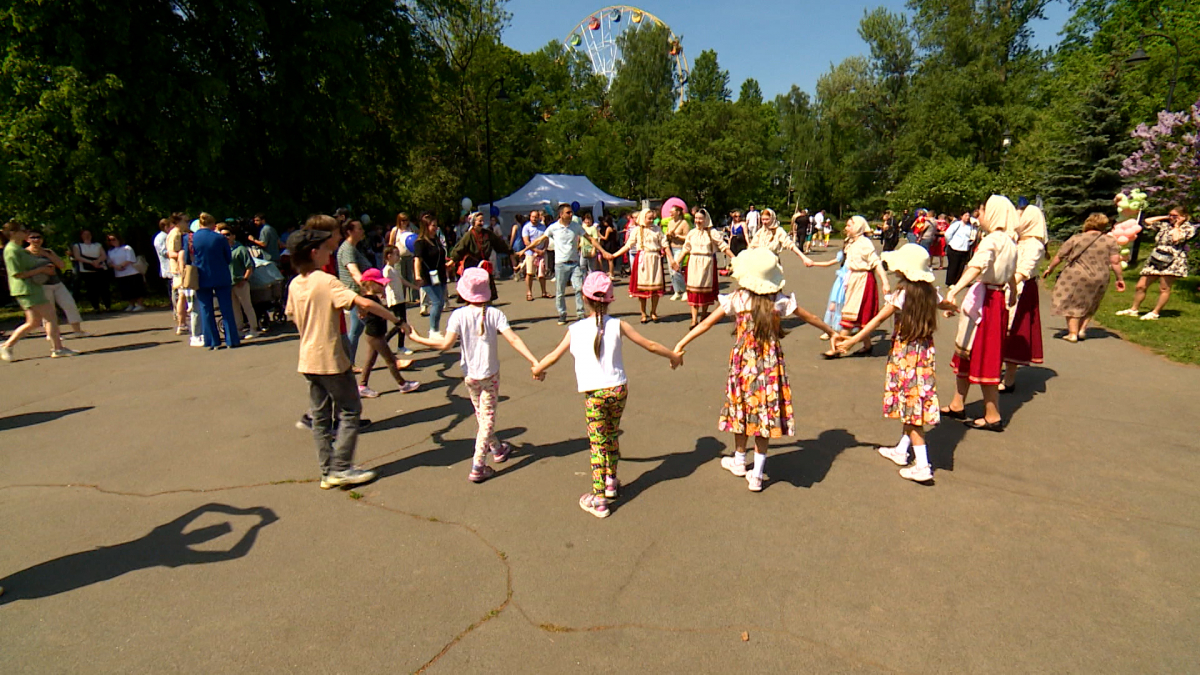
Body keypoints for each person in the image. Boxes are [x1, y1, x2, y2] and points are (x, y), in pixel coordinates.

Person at [673, 248, 838, 492]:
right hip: (770, 365)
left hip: (744, 365)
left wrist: (681, 343)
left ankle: (740, 459)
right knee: (765, 413)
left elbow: (706, 323)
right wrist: (833, 331)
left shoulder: (738, 299)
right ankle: (757, 474)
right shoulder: (778, 300)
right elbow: (810, 317)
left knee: (741, 409)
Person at [532, 272, 682, 517]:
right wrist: (673, 356)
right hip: (618, 389)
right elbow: (650, 345)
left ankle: (599, 497)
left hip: (595, 393)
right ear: (610, 299)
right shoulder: (618, 325)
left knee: (597, 444)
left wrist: (538, 368)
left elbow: (553, 356)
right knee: (611, 435)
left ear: (584, 298)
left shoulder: (575, 329)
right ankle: (611, 480)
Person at [835, 244, 958, 482]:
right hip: (923, 354)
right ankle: (902, 450)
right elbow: (946, 305)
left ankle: (923, 465)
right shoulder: (931, 293)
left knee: (911, 409)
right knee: (913, 400)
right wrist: (955, 309)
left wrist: (853, 339)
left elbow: (877, 320)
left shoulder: (902, 295)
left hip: (905, 356)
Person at [286, 227, 398, 489]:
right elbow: (365, 303)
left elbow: (293, 316)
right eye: (327, 248)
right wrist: (397, 319)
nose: (330, 252)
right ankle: (341, 468)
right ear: (314, 253)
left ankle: (328, 472)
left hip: (307, 359)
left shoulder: (295, 284)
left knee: (321, 417)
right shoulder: (325, 281)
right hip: (331, 359)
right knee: (350, 410)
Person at [408, 268, 540, 483]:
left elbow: (445, 344)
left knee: (482, 415)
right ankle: (478, 464)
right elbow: (514, 339)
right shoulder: (495, 314)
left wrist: (418, 338)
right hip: (490, 375)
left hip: (469, 375)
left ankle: (497, 449)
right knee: (486, 419)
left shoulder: (458, 314)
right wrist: (534, 361)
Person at [942, 195, 1019, 431]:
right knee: (967, 351)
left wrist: (954, 289)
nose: (979, 214)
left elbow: (977, 266)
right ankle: (958, 403)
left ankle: (992, 414)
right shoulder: (1009, 241)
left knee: (984, 355)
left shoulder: (992, 240)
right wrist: (1013, 294)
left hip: (986, 302)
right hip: (994, 299)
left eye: (982, 211)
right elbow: (1012, 273)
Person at [1, 222, 78, 361]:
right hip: (26, 289)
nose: (26, 233)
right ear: (13, 233)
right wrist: (42, 270)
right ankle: (57, 348)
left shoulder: (19, 249)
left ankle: (7, 345)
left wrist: (44, 266)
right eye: (23, 231)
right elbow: (17, 274)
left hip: (32, 287)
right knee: (50, 316)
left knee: (34, 322)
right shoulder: (12, 250)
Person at [1043, 213, 1125, 342]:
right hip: (1100, 275)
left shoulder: (1077, 238)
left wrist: (1050, 268)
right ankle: (1082, 330)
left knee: (1072, 303)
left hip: (1076, 275)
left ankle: (1072, 333)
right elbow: (1115, 262)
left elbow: (1060, 255)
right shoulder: (1110, 240)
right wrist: (1120, 279)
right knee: (1091, 302)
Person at [524, 204, 606, 325]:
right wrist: (525, 249)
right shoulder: (553, 227)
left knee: (579, 288)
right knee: (560, 291)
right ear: (561, 214)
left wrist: (603, 251)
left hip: (575, 263)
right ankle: (562, 314)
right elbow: (539, 240)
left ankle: (580, 313)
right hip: (560, 264)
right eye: (568, 212)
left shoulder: (576, 226)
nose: (571, 214)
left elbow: (591, 239)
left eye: (571, 212)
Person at [1115, 206, 1195, 321]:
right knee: (1141, 285)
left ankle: (1155, 312)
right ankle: (1133, 309)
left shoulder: (1188, 228)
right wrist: (1166, 217)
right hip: (1156, 257)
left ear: (1183, 217)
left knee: (1164, 288)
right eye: (1170, 215)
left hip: (1173, 259)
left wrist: (1177, 225)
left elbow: (1176, 239)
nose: (1172, 218)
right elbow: (1148, 221)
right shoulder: (1165, 225)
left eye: (1175, 216)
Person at [825, 216, 890, 358]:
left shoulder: (865, 243)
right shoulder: (852, 242)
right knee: (860, 315)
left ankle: (839, 348)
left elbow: (876, 263)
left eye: (849, 226)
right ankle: (867, 346)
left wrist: (885, 282)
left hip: (863, 280)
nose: (846, 228)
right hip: (853, 278)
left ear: (858, 227)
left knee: (851, 313)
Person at [1001, 204, 1048, 393]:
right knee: (1002, 330)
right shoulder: (1018, 241)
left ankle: (1009, 378)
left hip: (1021, 289)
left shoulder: (1034, 244)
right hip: (1009, 284)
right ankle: (997, 371)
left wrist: (1010, 286)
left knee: (1016, 332)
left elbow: (1024, 270)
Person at [354, 268, 420, 398]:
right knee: (390, 360)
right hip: (375, 335)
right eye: (380, 283)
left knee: (370, 361)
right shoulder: (367, 300)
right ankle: (402, 384)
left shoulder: (372, 298)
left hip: (375, 334)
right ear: (371, 284)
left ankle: (362, 386)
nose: (383, 285)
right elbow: (364, 311)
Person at [671, 209, 732, 328]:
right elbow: (686, 248)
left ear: (706, 220)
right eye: (696, 218)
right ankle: (694, 319)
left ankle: (704, 315)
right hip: (693, 262)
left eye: (700, 218)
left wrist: (734, 258)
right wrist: (677, 261)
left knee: (705, 290)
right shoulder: (692, 233)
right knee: (693, 290)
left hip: (707, 262)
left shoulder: (712, 232)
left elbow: (723, 246)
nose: (698, 221)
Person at [606, 209, 668, 323]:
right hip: (643, 259)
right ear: (643, 218)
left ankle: (653, 311)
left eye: (652, 218)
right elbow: (628, 245)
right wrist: (614, 255)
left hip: (654, 258)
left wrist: (672, 259)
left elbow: (665, 244)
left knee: (656, 289)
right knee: (643, 289)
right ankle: (643, 313)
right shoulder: (637, 230)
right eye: (649, 218)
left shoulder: (657, 229)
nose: (651, 220)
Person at [191, 213, 239, 349]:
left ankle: (212, 341)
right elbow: (228, 258)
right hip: (221, 276)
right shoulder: (220, 238)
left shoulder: (191, 238)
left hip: (201, 277)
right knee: (226, 308)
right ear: (213, 224)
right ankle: (231, 340)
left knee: (206, 309)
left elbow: (189, 260)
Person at [25, 230, 86, 336]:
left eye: (38, 237)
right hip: (41, 285)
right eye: (33, 237)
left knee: (69, 304)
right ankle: (52, 334)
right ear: (27, 239)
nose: (36, 240)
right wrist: (42, 270)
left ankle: (77, 330)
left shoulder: (48, 251)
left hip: (56, 283)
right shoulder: (25, 253)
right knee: (49, 311)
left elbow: (61, 265)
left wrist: (48, 255)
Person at [449, 211, 512, 303]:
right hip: (472, 265)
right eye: (479, 221)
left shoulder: (488, 234)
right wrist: (453, 260)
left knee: (486, 291)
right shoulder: (469, 235)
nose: (481, 223)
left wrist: (510, 251)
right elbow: (460, 249)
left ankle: (486, 307)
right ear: (473, 222)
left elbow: (499, 244)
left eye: (482, 221)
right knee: (472, 290)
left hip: (484, 265)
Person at [337, 219, 373, 365]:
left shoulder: (353, 248)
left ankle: (348, 362)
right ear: (349, 232)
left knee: (357, 329)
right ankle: (347, 363)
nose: (362, 231)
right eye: (359, 228)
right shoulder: (347, 249)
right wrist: (367, 289)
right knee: (374, 328)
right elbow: (354, 272)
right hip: (355, 294)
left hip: (357, 293)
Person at [413, 212, 448, 339]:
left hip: (440, 274)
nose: (435, 228)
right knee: (437, 302)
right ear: (426, 227)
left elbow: (439, 255)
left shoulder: (436, 239)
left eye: (436, 225)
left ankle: (436, 329)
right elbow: (417, 259)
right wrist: (417, 275)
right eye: (433, 226)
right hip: (428, 276)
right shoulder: (420, 242)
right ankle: (433, 330)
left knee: (441, 302)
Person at [221, 225, 259, 340]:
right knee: (234, 308)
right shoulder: (222, 250)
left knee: (247, 306)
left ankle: (253, 329)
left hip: (240, 282)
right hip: (228, 283)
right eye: (223, 235)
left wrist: (245, 279)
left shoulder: (240, 249)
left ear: (233, 236)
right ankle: (239, 329)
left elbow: (250, 266)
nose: (225, 237)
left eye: (228, 234)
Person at [381, 245, 419, 355]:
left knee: (402, 323)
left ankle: (400, 346)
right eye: (396, 254)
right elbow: (384, 281)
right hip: (394, 300)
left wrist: (415, 287)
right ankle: (386, 342)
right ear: (389, 256)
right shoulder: (387, 270)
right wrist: (383, 291)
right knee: (401, 324)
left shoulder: (394, 269)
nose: (398, 257)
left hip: (400, 299)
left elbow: (402, 281)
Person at [748, 208, 816, 265]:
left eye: (767, 219)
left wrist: (804, 258)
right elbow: (752, 247)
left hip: (773, 264)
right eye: (763, 220)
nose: (764, 222)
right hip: (760, 263)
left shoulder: (779, 231)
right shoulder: (760, 232)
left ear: (772, 219)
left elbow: (790, 244)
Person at [69, 228, 111, 312]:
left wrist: (97, 261)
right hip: (86, 270)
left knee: (104, 288)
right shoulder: (77, 246)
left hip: (99, 268)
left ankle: (108, 306)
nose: (87, 236)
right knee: (92, 289)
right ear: (81, 236)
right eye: (85, 234)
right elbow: (77, 257)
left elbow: (104, 255)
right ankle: (96, 307)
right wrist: (91, 262)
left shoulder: (97, 245)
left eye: (89, 234)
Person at [105, 232, 146, 312]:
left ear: (118, 239)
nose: (112, 241)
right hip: (119, 274)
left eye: (114, 239)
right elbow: (109, 262)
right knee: (126, 290)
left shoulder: (127, 248)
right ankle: (131, 304)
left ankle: (140, 304)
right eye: (110, 240)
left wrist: (122, 266)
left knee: (136, 289)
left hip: (132, 272)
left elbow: (130, 259)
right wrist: (115, 266)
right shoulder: (110, 251)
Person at [521, 209, 550, 301]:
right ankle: (529, 292)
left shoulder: (543, 227)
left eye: (536, 217)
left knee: (542, 274)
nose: (534, 219)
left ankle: (544, 291)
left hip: (542, 253)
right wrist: (536, 250)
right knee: (530, 273)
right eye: (533, 217)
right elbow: (526, 241)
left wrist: (544, 249)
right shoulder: (526, 227)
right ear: (530, 217)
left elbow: (546, 239)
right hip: (531, 253)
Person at [664, 206, 691, 301]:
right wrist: (668, 235)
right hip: (671, 248)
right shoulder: (670, 223)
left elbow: (688, 238)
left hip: (680, 249)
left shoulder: (684, 223)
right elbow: (667, 234)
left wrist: (677, 236)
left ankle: (685, 290)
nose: (670, 213)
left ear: (678, 213)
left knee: (676, 270)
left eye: (672, 212)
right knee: (671, 271)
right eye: (670, 212)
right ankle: (676, 291)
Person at [943, 211, 977, 286]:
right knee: (953, 266)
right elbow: (947, 234)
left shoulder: (971, 226)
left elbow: (973, 236)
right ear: (961, 216)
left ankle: (957, 281)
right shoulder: (957, 224)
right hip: (954, 247)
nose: (967, 217)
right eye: (965, 215)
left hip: (965, 249)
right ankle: (950, 282)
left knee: (961, 267)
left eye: (968, 216)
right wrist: (950, 242)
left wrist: (969, 243)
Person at [153, 218, 173, 294]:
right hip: (168, 268)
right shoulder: (162, 237)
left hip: (171, 268)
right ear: (165, 227)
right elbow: (163, 252)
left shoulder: (167, 236)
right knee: (172, 291)